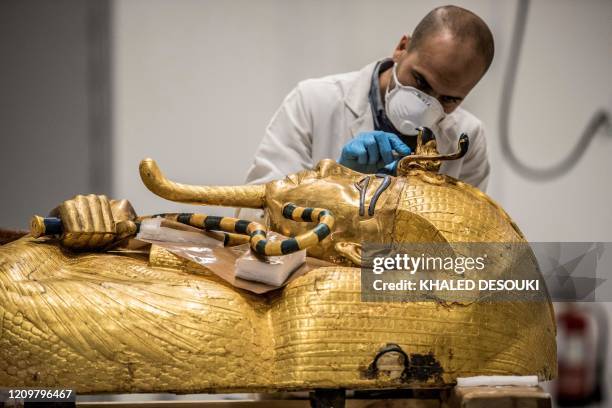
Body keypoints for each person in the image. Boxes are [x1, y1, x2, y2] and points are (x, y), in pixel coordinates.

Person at [244, 5, 494, 193]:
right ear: (402, 48)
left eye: (449, 99)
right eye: (421, 82)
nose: (427, 105)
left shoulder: (467, 137)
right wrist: (339, 182)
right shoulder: (313, 101)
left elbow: (465, 241)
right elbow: (257, 211)